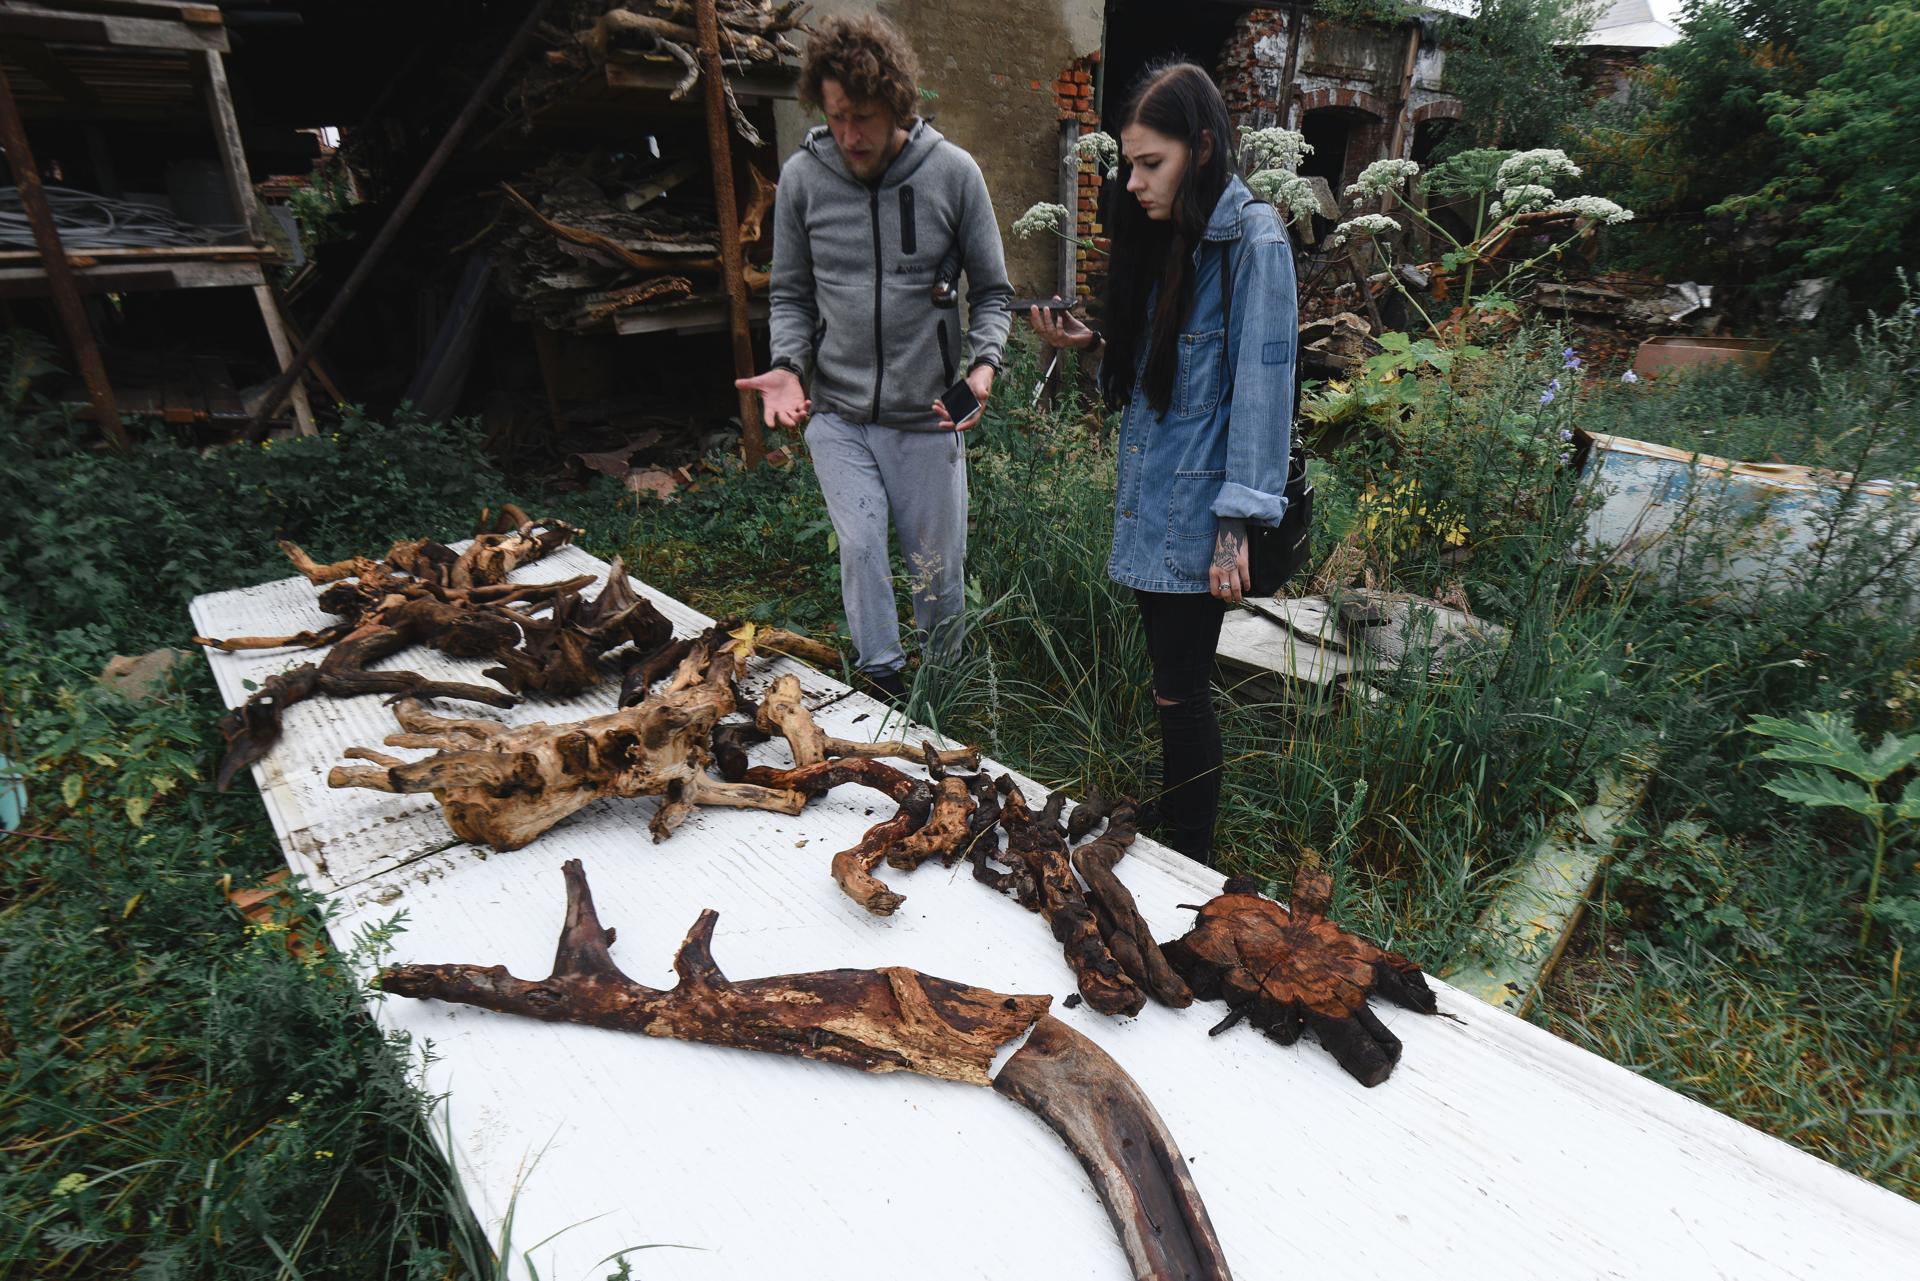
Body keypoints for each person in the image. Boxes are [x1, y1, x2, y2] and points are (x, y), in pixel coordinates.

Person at [1027, 61, 1297, 865]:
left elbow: (1262, 393)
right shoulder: (1172, 237)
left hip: (1204, 511)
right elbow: (1182, 373)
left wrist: (1237, 526)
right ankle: (1183, 841)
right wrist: (1099, 345)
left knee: (1181, 693)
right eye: (1130, 164)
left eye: (1152, 163)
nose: (1136, 182)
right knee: (1171, 687)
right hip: (1157, 498)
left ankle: (1193, 866)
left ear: (1203, 148)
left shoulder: (1255, 241)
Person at [736, 14, 1014, 702]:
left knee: (935, 567)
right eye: (836, 118)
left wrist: (982, 367)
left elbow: (997, 292)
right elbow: (793, 294)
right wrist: (790, 364)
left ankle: (944, 688)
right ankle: (882, 685)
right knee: (860, 548)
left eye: (863, 117)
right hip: (838, 409)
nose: (850, 134)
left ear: (898, 104)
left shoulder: (953, 174)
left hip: (930, 411)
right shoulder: (803, 178)